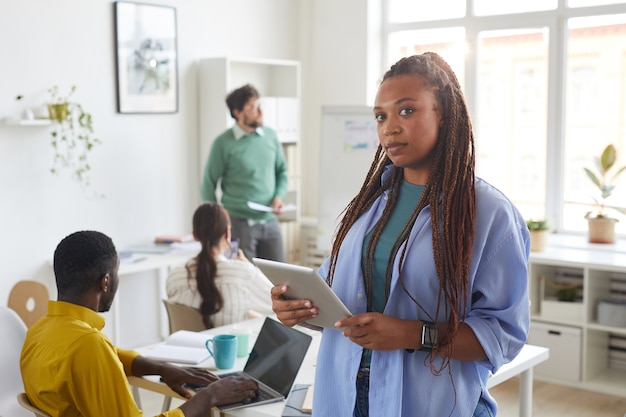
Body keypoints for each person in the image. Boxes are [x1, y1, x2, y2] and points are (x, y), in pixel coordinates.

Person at [270, 52, 530, 417]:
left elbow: (504, 335)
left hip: (432, 404)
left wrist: (411, 334)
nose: (389, 127)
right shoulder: (369, 206)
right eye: (380, 116)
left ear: (444, 114)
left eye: (406, 111)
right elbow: (336, 300)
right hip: (346, 396)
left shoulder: (487, 213)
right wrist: (299, 309)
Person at [20, 230, 258, 417]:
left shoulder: (38, 332)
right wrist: (209, 396)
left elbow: (105, 357)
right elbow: (93, 356)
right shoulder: (88, 346)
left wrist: (160, 368)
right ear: (105, 281)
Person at [201, 83, 288, 262]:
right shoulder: (223, 143)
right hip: (239, 224)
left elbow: (282, 172)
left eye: (259, 105)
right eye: (252, 107)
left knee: (280, 280)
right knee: (244, 279)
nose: (260, 112)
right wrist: (217, 217)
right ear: (237, 112)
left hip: (270, 221)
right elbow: (208, 182)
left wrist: (279, 196)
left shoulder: (270, 136)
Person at [166, 202, 275, 328]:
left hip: (187, 347)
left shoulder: (174, 277)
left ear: (195, 236)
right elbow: (278, 303)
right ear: (227, 233)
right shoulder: (244, 273)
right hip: (232, 347)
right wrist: (248, 266)